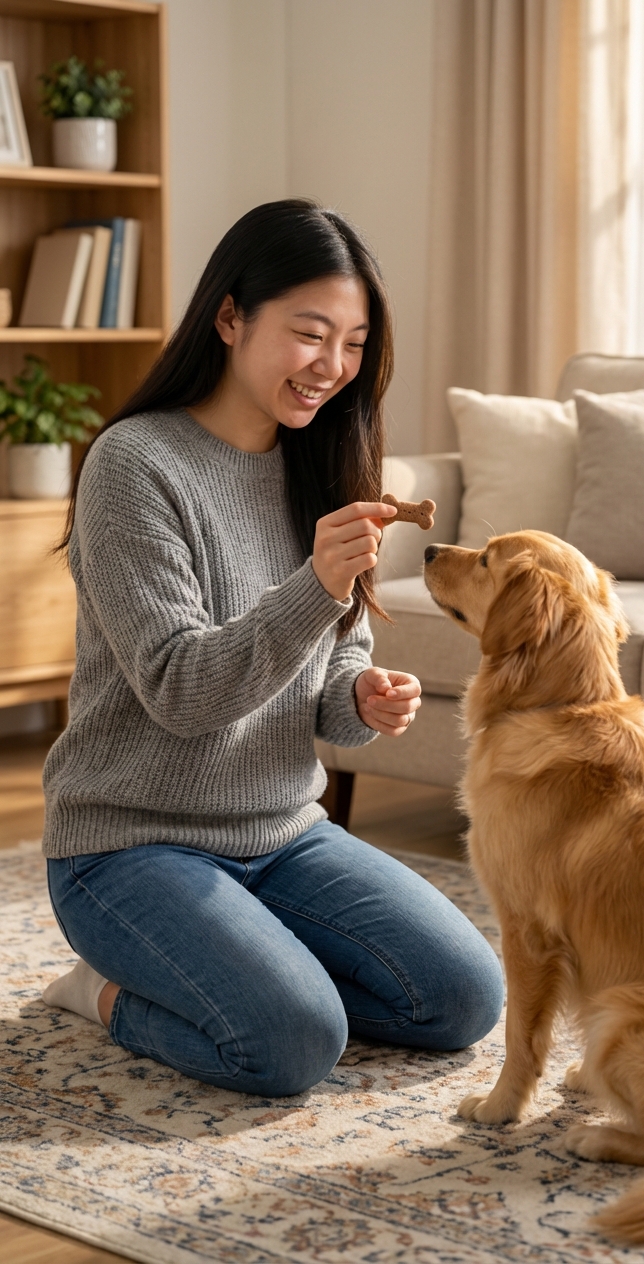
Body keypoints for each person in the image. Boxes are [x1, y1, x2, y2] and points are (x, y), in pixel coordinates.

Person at [40, 199, 503, 1097]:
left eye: (355, 342)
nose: (332, 367)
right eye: (309, 334)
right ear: (229, 318)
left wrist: (360, 695)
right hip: (130, 847)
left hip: (282, 832)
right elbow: (182, 692)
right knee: (292, 1044)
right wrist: (316, 589)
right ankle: (100, 989)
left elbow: (330, 669)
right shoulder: (134, 467)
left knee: (462, 999)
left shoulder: (323, 460)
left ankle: (241, 964)